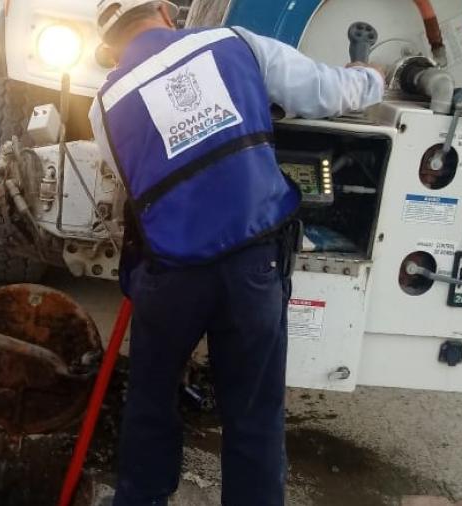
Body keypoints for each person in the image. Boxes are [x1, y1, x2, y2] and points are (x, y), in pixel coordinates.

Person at [89, 2, 385, 505]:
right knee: (253, 415)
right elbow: (326, 92)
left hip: (170, 274)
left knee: (150, 404)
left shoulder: (104, 104)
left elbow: (133, 178)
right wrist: (370, 77)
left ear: (111, 44)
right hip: (252, 264)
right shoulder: (235, 43)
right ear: (165, 9)